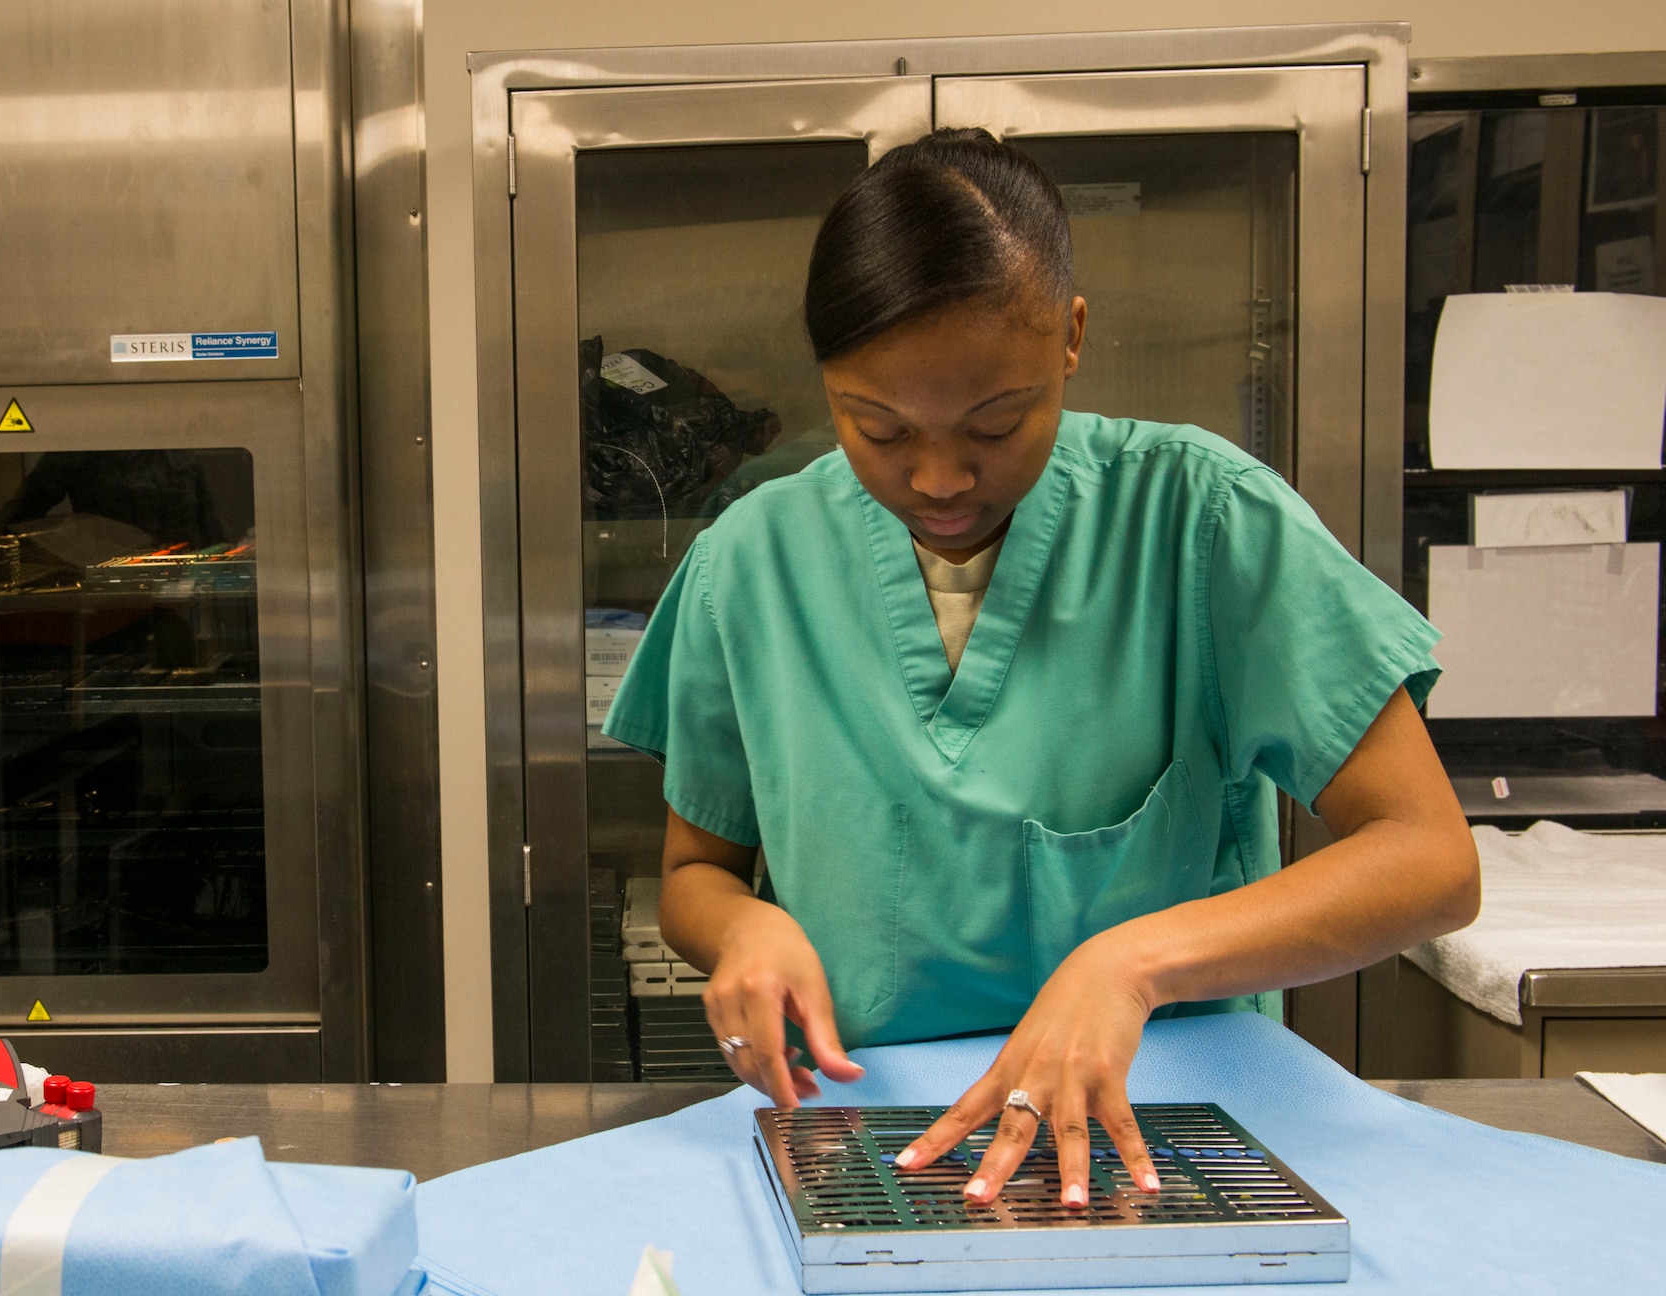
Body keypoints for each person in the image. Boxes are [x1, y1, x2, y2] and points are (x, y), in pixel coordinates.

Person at [600, 129, 1479, 1211]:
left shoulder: (1199, 522)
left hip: (1170, 1127)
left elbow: (1427, 860)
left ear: (1068, 337)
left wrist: (1130, 966)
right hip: (876, 1138)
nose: (936, 478)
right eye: (875, 427)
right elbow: (697, 874)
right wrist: (742, 927)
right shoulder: (753, 558)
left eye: (994, 423)